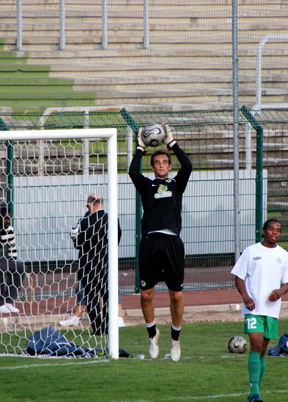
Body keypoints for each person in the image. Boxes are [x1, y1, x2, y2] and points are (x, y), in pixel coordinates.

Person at [128, 123, 192, 362]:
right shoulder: (147, 186)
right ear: (153, 166)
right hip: (150, 242)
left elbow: (188, 165)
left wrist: (172, 142)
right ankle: (152, 333)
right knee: (146, 294)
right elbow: (133, 173)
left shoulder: (177, 184)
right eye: (157, 163)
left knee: (176, 295)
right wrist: (140, 148)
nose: (161, 165)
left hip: (172, 243)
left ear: (169, 165)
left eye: (165, 162)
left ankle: (175, 340)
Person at [231, 219, 288, 402]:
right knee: (256, 345)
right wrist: (245, 296)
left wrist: (281, 291)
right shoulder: (251, 252)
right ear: (264, 232)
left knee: (263, 350)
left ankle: (254, 391)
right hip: (253, 308)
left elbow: (287, 282)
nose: (275, 232)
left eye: (278, 230)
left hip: (272, 310)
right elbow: (238, 277)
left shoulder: (284, 255)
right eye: (271, 229)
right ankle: (255, 393)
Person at [68, 194, 122, 335]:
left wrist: (74, 236)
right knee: (108, 298)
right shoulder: (112, 219)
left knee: (92, 300)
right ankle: (108, 327)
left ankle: (98, 329)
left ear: (90, 205)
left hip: (89, 267)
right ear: (102, 204)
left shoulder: (85, 221)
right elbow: (117, 239)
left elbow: (79, 243)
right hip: (107, 266)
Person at [59, 282, 126, 328]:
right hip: (90, 264)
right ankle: (76, 318)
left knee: (111, 289)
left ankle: (119, 319)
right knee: (83, 290)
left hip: (105, 264)